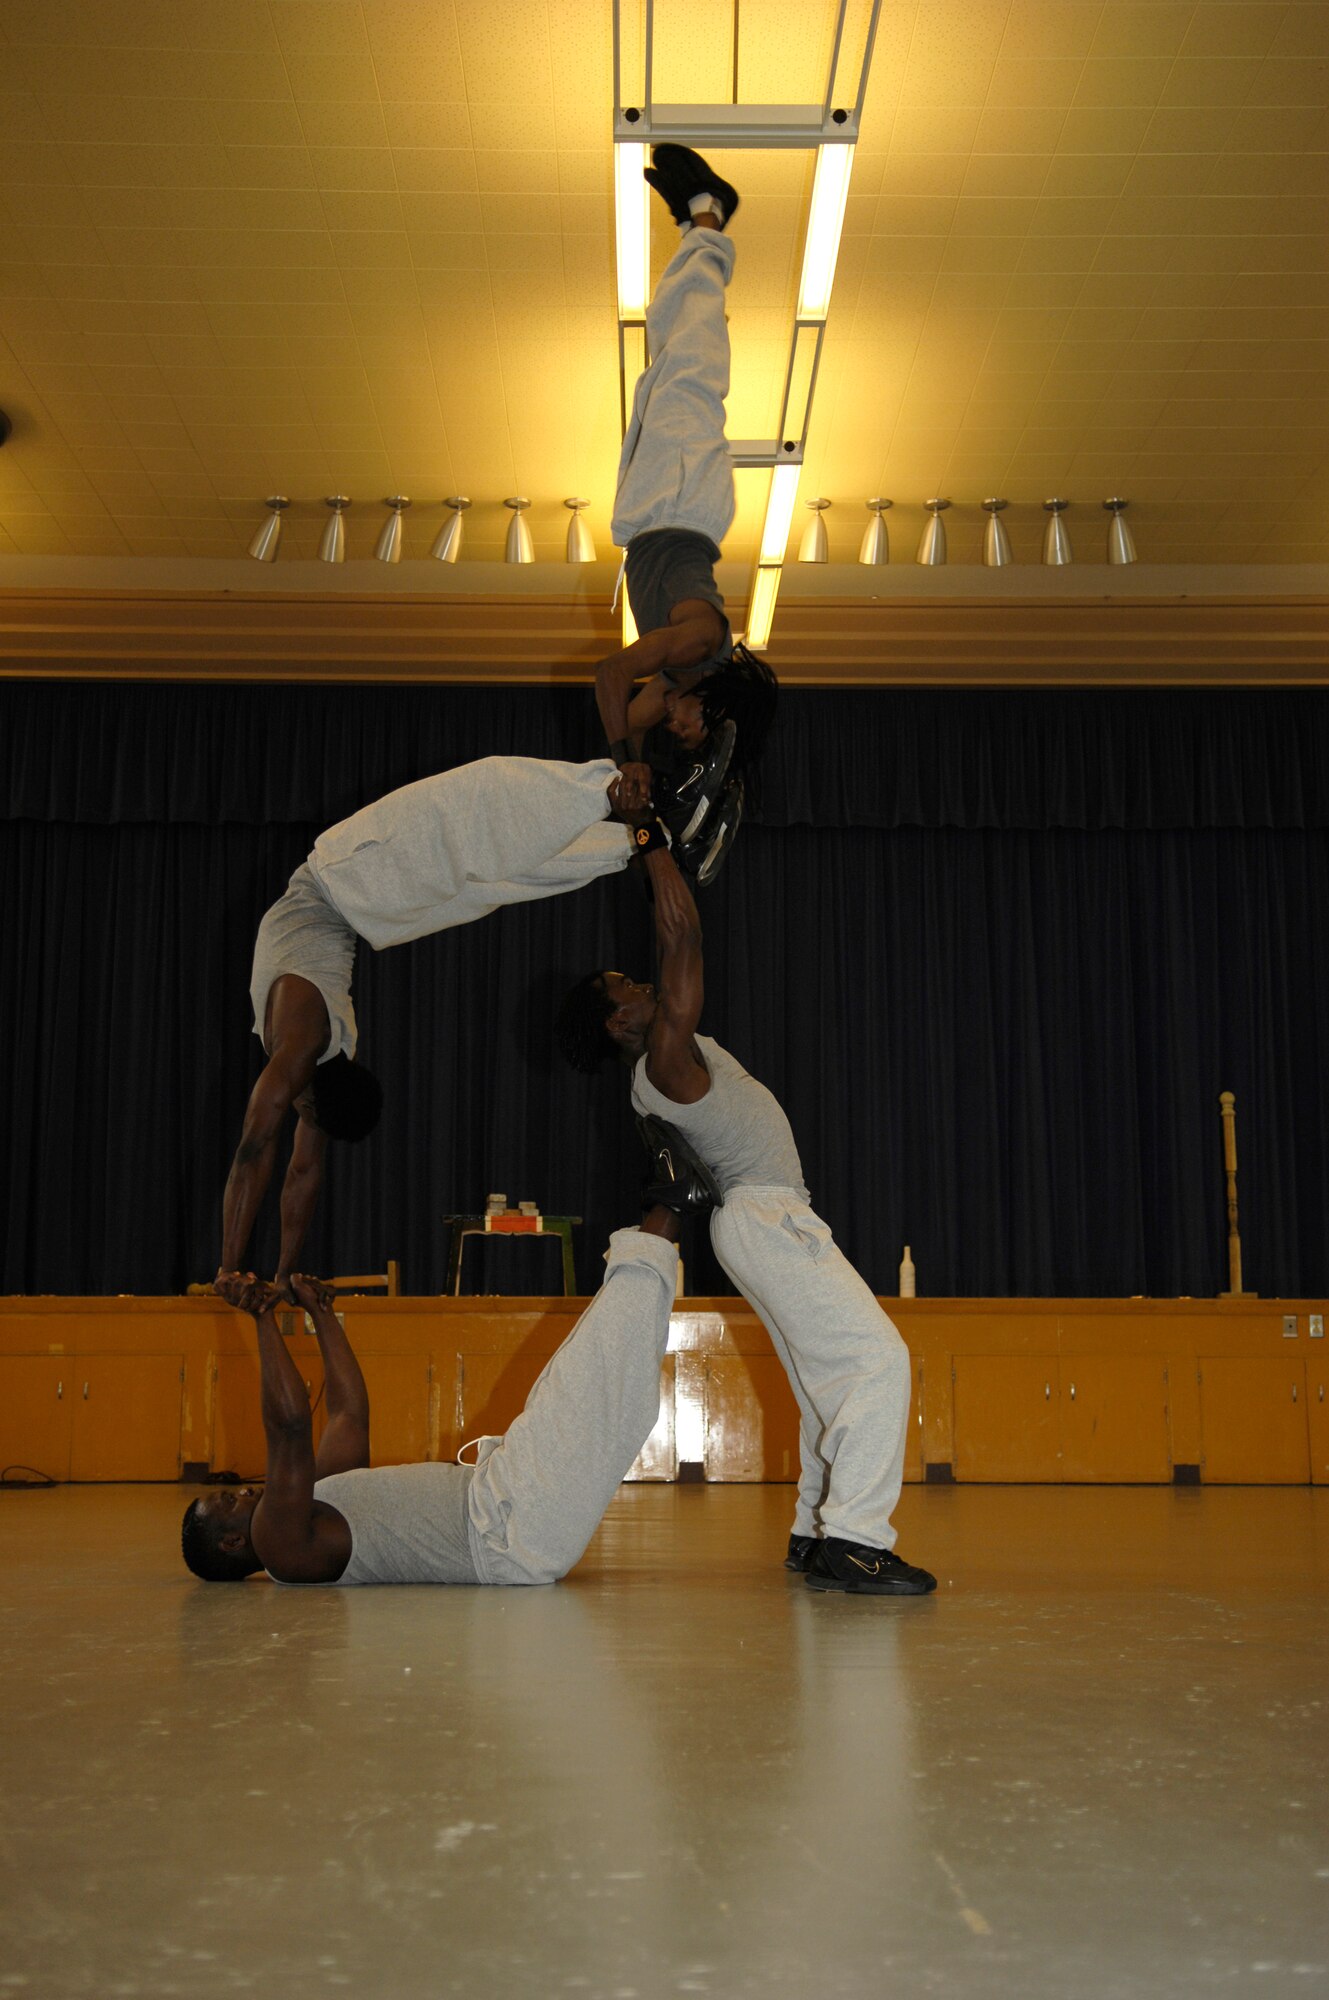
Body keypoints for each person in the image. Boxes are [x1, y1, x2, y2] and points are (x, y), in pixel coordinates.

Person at [555, 846, 937, 1598]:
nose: (638, 984)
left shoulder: (661, 1060)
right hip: (766, 1216)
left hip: (757, 1221)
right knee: (878, 1362)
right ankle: (856, 1542)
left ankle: (812, 1533)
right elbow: (683, 944)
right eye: (622, 986)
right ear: (616, 1022)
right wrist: (654, 847)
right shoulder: (662, 1055)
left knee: (823, 1385)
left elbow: (675, 959)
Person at [185, 1217, 679, 1587]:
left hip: (503, 1505)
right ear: (232, 1543)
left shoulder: (316, 1502)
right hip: (506, 1532)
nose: (242, 1492)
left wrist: (323, 1314)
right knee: (601, 1362)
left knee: (619, 1377)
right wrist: (263, 1318)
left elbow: (349, 1414)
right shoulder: (281, 1546)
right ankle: (668, 1200)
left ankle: (669, 1209)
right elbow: (290, 1427)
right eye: (227, 1501)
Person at [593, 143, 778, 880]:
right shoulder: (698, 639)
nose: (674, 723)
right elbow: (610, 678)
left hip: (655, 514)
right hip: (681, 499)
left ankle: (693, 225)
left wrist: (637, 781)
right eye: (690, 727)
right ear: (717, 711)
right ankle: (711, 215)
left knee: (665, 363)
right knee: (695, 362)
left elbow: (633, 715)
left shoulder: (681, 676)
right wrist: (623, 764)